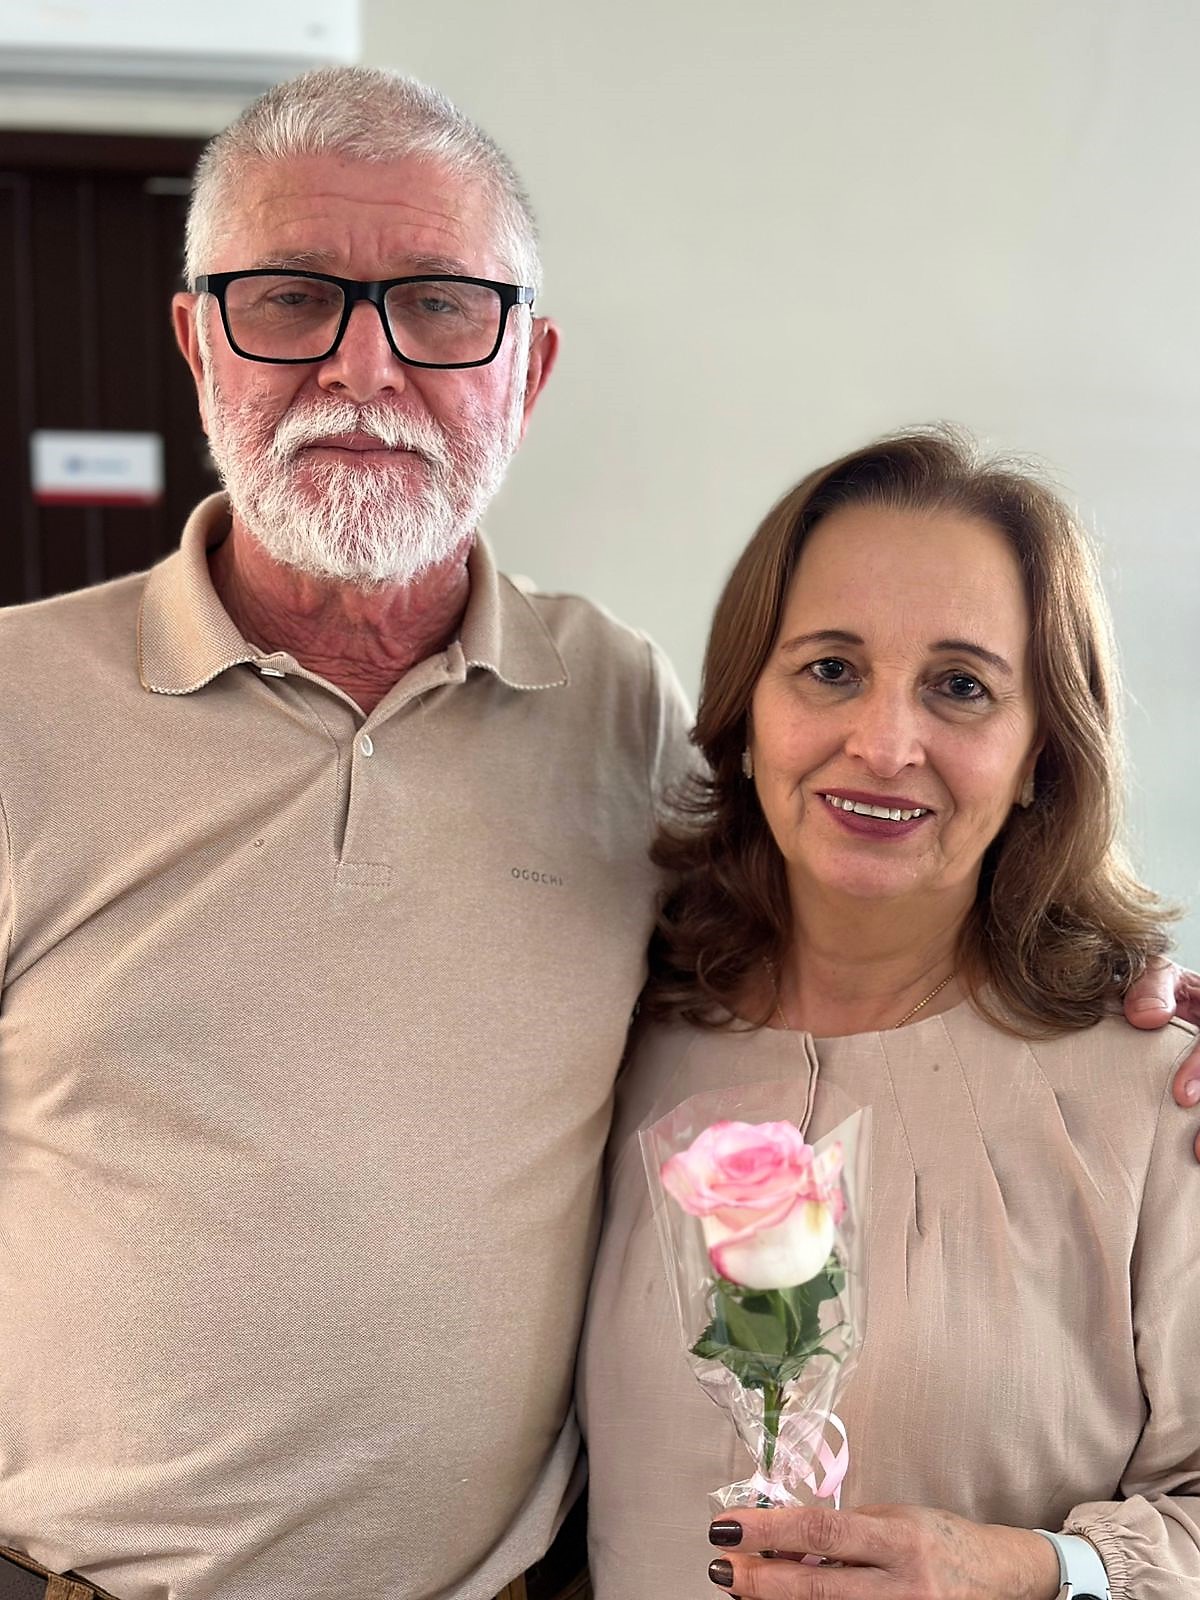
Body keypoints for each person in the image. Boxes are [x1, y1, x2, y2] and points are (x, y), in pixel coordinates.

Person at [0, 66, 1194, 1600]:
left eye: (440, 306)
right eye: (290, 297)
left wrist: (1133, 997)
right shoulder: (19, 710)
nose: (362, 367)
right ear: (193, 338)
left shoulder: (613, 709)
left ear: (531, 365)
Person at [577, 428, 1200, 1600]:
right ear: (747, 711)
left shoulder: (1159, 1100)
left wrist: (1030, 1568)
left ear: (1040, 752)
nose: (883, 743)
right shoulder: (612, 1041)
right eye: (830, 668)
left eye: (961, 686)